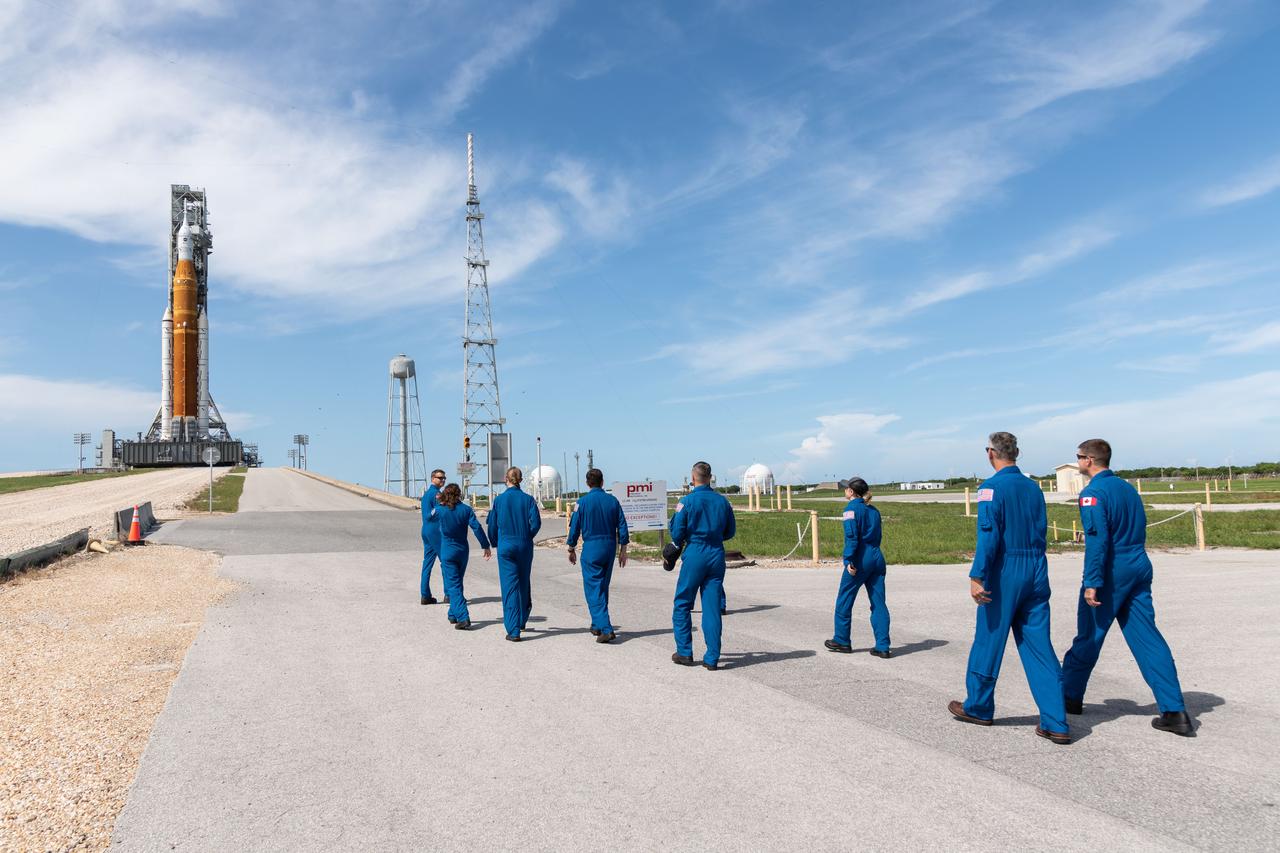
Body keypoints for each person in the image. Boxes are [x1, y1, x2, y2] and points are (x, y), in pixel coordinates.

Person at [1061, 439, 1193, 736]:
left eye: (1079, 457)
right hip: (1138, 563)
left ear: (1089, 460)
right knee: (1148, 639)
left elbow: (1097, 542)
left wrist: (1093, 582)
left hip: (1112, 569)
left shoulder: (1092, 493)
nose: (1078, 462)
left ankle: (1069, 696)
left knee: (1090, 636)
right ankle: (1174, 710)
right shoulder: (1127, 489)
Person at [949, 432, 1071, 744]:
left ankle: (978, 705)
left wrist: (978, 575)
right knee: (1038, 644)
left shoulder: (990, 488)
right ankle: (1056, 720)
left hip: (1006, 569)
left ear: (991, 453)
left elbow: (988, 535)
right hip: (1036, 567)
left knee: (989, 639)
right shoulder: (1033, 488)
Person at [670, 461, 736, 670]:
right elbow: (730, 531)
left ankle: (684, 652)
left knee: (682, 602)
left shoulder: (686, 501)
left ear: (693, 478)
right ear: (710, 477)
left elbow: (677, 533)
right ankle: (712, 657)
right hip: (716, 554)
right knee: (712, 607)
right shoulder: (723, 502)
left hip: (696, 552)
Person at [824, 477, 891, 657]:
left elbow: (852, 537)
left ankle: (842, 640)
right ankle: (883, 646)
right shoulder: (874, 510)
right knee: (878, 602)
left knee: (845, 598)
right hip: (877, 556)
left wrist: (848, 560)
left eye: (846, 488)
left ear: (851, 492)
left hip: (861, 558)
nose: (844, 490)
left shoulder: (850, 509)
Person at [567, 469, 628, 643]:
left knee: (593, 589)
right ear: (602, 482)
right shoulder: (613, 501)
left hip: (592, 547)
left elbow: (574, 528)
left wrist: (571, 549)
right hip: (609, 546)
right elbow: (622, 526)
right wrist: (623, 550)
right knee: (602, 586)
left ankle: (607, 629)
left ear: (587, 483)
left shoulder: (582, 503)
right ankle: (597, 624)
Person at [487, 466, 542, 642]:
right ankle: (523, 618)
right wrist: (527, 535)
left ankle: (513, 629)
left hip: (506, 545)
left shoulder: (499, 500)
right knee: (524, 581)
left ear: (506, 479)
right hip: (524, 544)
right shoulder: (528, 499)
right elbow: (536, 523)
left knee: (509, 585)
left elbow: (492, 526)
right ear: (521, 480)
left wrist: (495, 542)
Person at [435, 483, 491, 630]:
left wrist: (439, 500)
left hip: (447, 549)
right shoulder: (466, 510)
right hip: (462, 550)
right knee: (457, 582)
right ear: (459, 494)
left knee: (453, 585)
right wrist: (485, 545)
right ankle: (453, 614)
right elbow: (477, 528)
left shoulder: (440, 510)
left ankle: (463, 617)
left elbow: (431, 515)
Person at [418, 469, 447, 605]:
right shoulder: (436, 494)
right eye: (440, 478)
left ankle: (425, 595)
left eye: (444, 478)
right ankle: (449, 594)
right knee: (446, 562)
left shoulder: (426, 494)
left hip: (426, 530)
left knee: (427, 563)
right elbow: (434, 513)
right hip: (435, 530)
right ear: (433, 478)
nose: (442, 480)